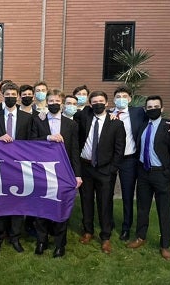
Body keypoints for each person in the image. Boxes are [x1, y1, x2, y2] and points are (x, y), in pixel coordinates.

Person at [108, 85, 170, 241]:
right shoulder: (107, 114)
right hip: (111, 161)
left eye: (124, 96)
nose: (121, 99)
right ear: (113, 100)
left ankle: (126, 228)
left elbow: (159, 120)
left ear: (129, 99)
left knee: (127, 196)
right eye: (118, 97)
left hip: (130, 161)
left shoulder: (138, 113)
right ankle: (109, 224)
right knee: (107, 194)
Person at [127, 95, 170, 261]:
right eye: (150, 107)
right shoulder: (143, 125)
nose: (153, 109)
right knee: (142, 208)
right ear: (145, 110)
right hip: (143, 174)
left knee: (164, 211)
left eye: (156, 106)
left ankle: (165, 245)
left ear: (162, 108)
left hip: (162, 175)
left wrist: (168, 174)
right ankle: (140, 237)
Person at [30, 91, 82, 258]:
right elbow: (30, 142)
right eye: (50, 100)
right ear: (46, 102)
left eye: (57, 100)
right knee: (41, 207)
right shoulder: (38, 120)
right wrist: (47, 137)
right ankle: (41, 241)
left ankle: (60, 244)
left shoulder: (71, 125)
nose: (53, 103)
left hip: (63, 171)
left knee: (60, 206)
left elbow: (75, 150)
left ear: (62, 103)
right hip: (41, 171)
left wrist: (77, 174)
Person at [74, 90, 126, 254]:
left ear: (107, 103)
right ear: (90, 104)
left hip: (105, 169)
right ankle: (88, 231)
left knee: (105, 203)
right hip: (86, 167)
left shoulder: (116, 123)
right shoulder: (84, 116)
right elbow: (67, 113)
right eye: (94, 101)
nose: (98, 104)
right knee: (86, 201)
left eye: (101, 101)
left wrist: (112, 169)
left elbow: (119, 149)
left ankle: (105, 237)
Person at [0, 82, 33, 254]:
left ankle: (15, 237)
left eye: (13, 94)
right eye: (7, 94)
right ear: (2, 95)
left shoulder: (27, 118)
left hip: (19, 167)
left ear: (18, 96)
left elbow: (32, 142)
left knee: (17, 203)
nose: (10, 97)